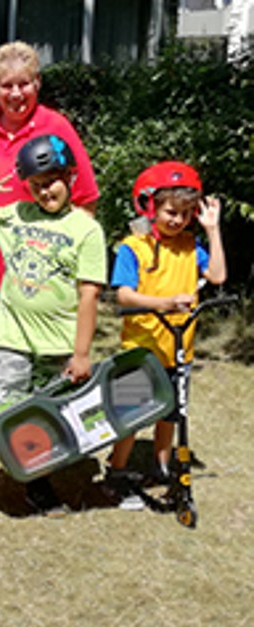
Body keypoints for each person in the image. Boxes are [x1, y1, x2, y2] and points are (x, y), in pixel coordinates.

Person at [0, 41, 99, 513]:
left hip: (43, 283)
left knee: (40, 386)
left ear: (38, 83)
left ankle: (34, 471)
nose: (15, 94)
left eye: (24, 84)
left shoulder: (56, 128)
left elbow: (86, 197)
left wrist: (62, 255)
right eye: (5, 85)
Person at [105, 161, 226, 509]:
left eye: (186, 214)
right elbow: (124, 295)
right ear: (150, 207)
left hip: (179, 351)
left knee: (170, 415)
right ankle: (115, 472)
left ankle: (160, 467)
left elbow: (216, 276)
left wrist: (212, 230)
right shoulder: (135, 246)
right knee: (130, 416)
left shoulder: (191, 246)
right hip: (140, 351)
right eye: (171, 212)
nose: (177, 220)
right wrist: (165, 303)